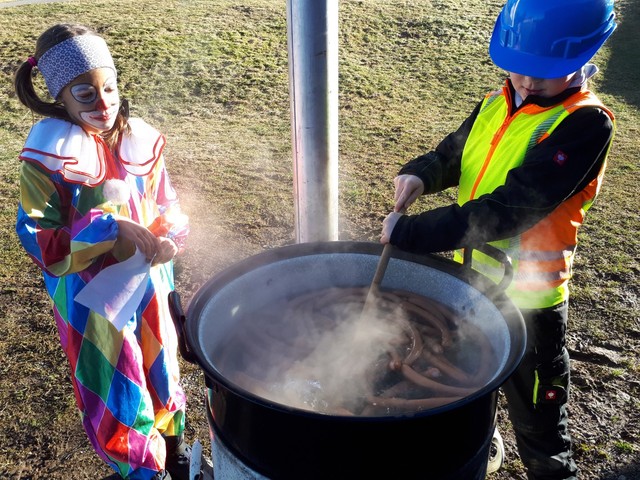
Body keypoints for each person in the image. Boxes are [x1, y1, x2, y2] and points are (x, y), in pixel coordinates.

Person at [380, 0, 617, 478]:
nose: (527, 83)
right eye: (518, 70)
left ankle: (552, 470)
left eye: (544, 74)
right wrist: (421, 175)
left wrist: (414, 233)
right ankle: (476, 442)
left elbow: (512, 208)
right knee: (465, 377)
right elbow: (454, 153)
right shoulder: (495, 103)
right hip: (468, 283)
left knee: (537, 412)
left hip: (530, 301)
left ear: (585, 60)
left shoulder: (586, 125)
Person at [14, 24, 203, 480]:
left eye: (110, 88)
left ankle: (172, 451)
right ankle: (139, 470)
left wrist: (169, 234)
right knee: (115, 375)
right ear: (61, 97)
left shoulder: (137, 139)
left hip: (150, 278)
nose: (104, 103)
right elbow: (36, 232)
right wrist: (107, 230)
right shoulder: (48, 154)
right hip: (89, 290)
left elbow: (166, 201)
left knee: (161, 359)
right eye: (86, 94)